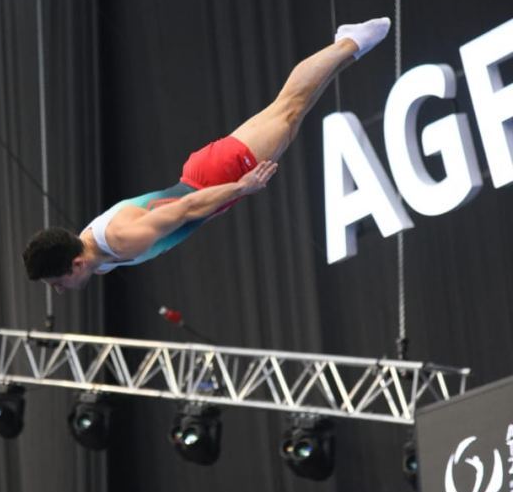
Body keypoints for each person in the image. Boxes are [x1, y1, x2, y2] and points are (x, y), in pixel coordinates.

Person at [23, 17, 391, 292]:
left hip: (214, 177)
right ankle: (346, 50)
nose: (58, 291)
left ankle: (348, 43)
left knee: (289, 109)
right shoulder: (96, 260)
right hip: (208, 180)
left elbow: (186, 209)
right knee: (294, 112)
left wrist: (240, 187)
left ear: (75, 265)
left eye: (57, 284)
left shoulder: (121, 240)